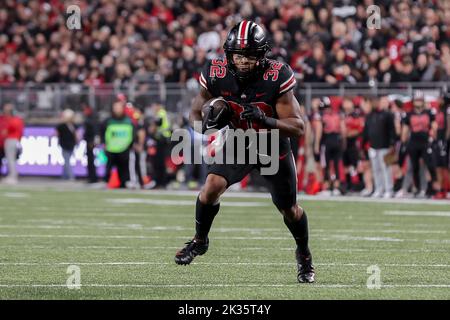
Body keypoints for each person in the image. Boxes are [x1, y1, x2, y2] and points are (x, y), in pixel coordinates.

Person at [174, 21, 315, 283]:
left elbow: (297, 127)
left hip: (272, 143)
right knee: (210, 188)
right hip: (239, 140)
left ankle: (304, 254)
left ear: (262, 55)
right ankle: (200, 240)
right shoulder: (216, 71)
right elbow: (195, 111)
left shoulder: (277, 75)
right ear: (229, 54)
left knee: (289, 209)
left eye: (250, 55)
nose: (243, 61)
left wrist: (266, 119)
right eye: (238, 55)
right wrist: (207, 126)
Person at [401, 90, 439, 197]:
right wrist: (403, 143)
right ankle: (418, 188)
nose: (418, 102)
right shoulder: (409, 114)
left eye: (420, 100)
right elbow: (405, 130)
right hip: (413, 143)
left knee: (430, 165)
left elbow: (434, 127)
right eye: (416, 100)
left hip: (426, 142)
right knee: (415, 167)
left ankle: (431, 188)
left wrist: (433, 137)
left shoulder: (429, 112)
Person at [363, 96, 396, 198]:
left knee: (387, 168)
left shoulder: (388, 115)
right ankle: (379, 189)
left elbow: (392, 131)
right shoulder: (370, 116)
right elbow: (366, 131)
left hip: (386, 147)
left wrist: (392, 144)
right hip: (373, 147)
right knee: (376, 169)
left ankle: (389, 189)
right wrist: (365, 144)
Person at [314, 97, 346, 196]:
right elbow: (343, 130)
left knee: (326, 165)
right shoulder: (338, 115)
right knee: (336, 165)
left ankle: (327, 187)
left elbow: (319, 131)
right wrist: (343, 142)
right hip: (337, 140)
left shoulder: (321, 115)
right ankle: (336, 187)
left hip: (326, 141)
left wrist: (316, 144)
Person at [102, 99, 136, 188]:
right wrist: (104, 144)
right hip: (111, 148)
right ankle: (105, 182)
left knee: (124, 168)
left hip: (124, 148)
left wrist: (131, 144)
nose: (117, 109)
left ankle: (124, 183)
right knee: (108, 167)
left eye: (118, 107)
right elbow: (103, 133)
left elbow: (133, 133)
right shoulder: (108, 121)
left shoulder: (128, 121)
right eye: (115, 108)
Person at [1, 103, 24, 184]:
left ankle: (12, 176)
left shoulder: (13, 120)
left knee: (10, 159)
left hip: (10, 140)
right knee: (12, 159)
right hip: (15, 140)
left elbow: (5, 132)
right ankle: (12, 175)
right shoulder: (18, 120)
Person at [56, 109, 77, 181]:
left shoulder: (72, 125)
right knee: (67, 160)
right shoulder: (62, 126)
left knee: (66, 161)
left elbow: (76, 135)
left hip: (70, 145)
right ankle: (68, 176)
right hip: (65, 145)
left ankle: (67, 176)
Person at [82, 104, 100, 184]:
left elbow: (95, 131)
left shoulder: (91, 119)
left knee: (91, 160)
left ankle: (93, 177)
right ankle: (91, 177)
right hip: (89, 141)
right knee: (90, 160)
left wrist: (94, 141)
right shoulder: (90, 119)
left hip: (90, 142)